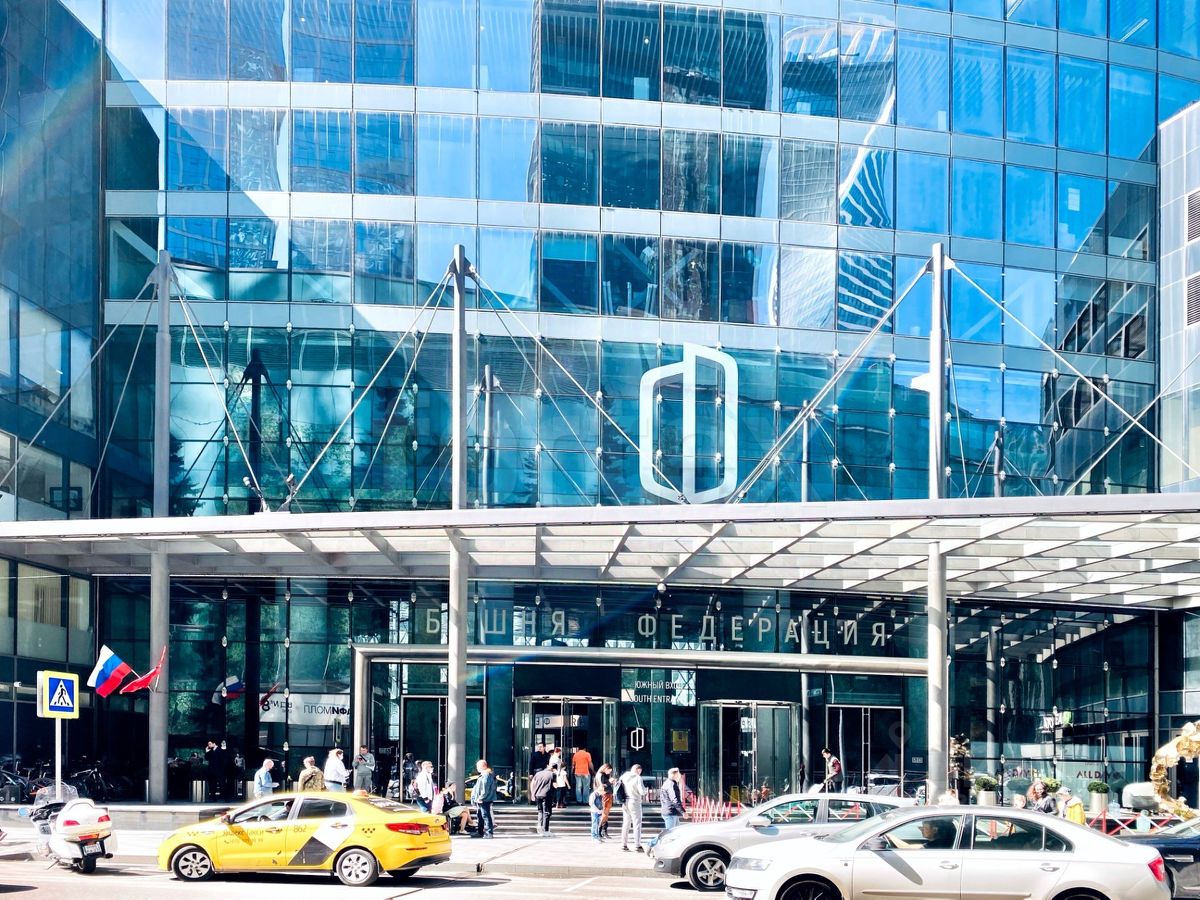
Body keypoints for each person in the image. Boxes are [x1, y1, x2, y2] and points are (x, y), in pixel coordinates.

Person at [618, 763, 647, 852]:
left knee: (626, 823)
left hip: (625, 801)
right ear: (638, 770)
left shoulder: (623, 776)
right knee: (637, 824)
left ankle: (623, 845)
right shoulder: (638, 778)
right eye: (640, 771)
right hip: (634, 801)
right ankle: (637, 845)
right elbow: (642, 792)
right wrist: (646, 790)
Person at [529, 762, 557, 835]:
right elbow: (555, 785)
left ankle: (539, 826)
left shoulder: (538, 774)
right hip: (547, 795)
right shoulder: (553, 774)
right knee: (547, 812)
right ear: (554, 769)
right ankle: (546, 830)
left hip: (538, 794)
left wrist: (532, 794)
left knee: (540, 811)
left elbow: (532, 783)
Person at [472, 759, 497, 838]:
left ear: (483, 766)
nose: (477, 768)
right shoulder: (483, 775)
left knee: (485, 815)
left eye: (478, 766)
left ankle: (489, 833)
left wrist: (481, 798)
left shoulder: (486, 775)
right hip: (482, 800)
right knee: (480, 815)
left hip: (484, 800)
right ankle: (480, 832)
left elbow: (485, 789)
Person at [659, 768, 686, 833]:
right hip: (670, 812)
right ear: (675, 774)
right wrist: (683, 812)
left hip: (670, 811)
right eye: (679, 774)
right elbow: (674, 800)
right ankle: (655, 840)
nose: (680, 776)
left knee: (676, 833)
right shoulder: (671, 784)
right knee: (670, 834)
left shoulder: (667, 783)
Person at [594, 762, 615, 839]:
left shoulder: (602, 775)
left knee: (606, 814)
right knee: (605, 813)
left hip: (607, 794)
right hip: (605, 794)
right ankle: (600, 830)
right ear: (605, 768)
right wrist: (610, 782)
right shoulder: (601, 775)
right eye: (609, 770)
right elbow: (602, 785)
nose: (609, 772)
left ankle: (603, 831)